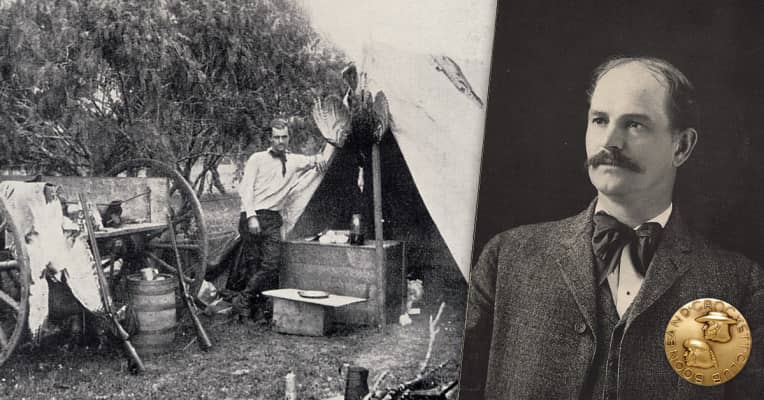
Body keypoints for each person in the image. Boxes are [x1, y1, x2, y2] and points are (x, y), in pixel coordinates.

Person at [459, 56, 763, 399]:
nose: (610, 141)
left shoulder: (739, 284)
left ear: (681, 147)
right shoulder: (507, 258)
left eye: (634, 125)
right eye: (600, 120)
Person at [230, 117, 342, 322]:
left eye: (284, 137)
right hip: (252, 216)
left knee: (271, 265)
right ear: (270, 139)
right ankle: (253, 309)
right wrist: (252, 216)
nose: (280, 141)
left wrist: (322, 155)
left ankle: (243, 299)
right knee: (253, 264)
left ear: (289, 138)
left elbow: (315, 159)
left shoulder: (294, 160)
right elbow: (246, 190)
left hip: (273, 218)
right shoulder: (257, 159)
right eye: (276, 137)